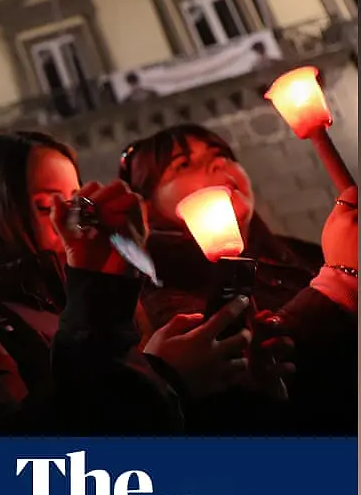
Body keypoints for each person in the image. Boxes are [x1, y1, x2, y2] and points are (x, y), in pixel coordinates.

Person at [0, 131, 265, 435]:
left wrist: (230, 382)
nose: (73, 221)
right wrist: (163, 377)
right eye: (45, 208)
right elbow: (34, 458)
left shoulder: (92, 300)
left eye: (77, 203)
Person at [122, 123, 357, 435]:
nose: (218, 163)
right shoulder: (164, 302)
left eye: (221, 153)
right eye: (183, 164)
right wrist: (339, 282)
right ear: (148, 207)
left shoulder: (297, 252)